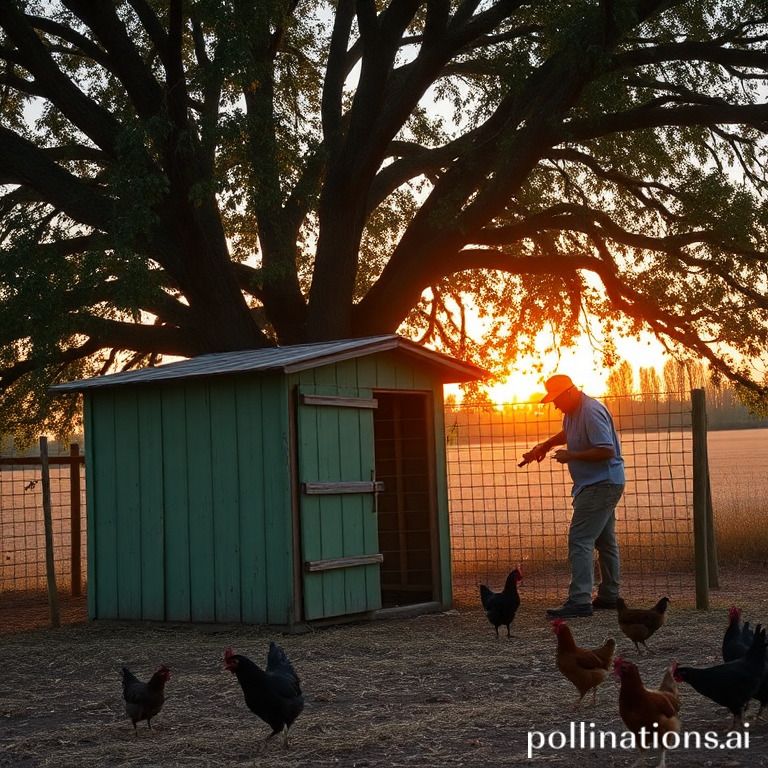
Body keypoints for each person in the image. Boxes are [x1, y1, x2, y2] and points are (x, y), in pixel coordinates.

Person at [521, 374, 625, 618]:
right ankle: (609, 596)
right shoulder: (573, 412)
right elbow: (566, 433)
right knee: (604, 541)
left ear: (570, 392)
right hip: (603, 483)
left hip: (600, 484)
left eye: (557, 399)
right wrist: (543, 446)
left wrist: (573, 456)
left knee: (580, 539)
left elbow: (606, 450)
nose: (555, 405)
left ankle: (579, 600)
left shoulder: (590, 411)